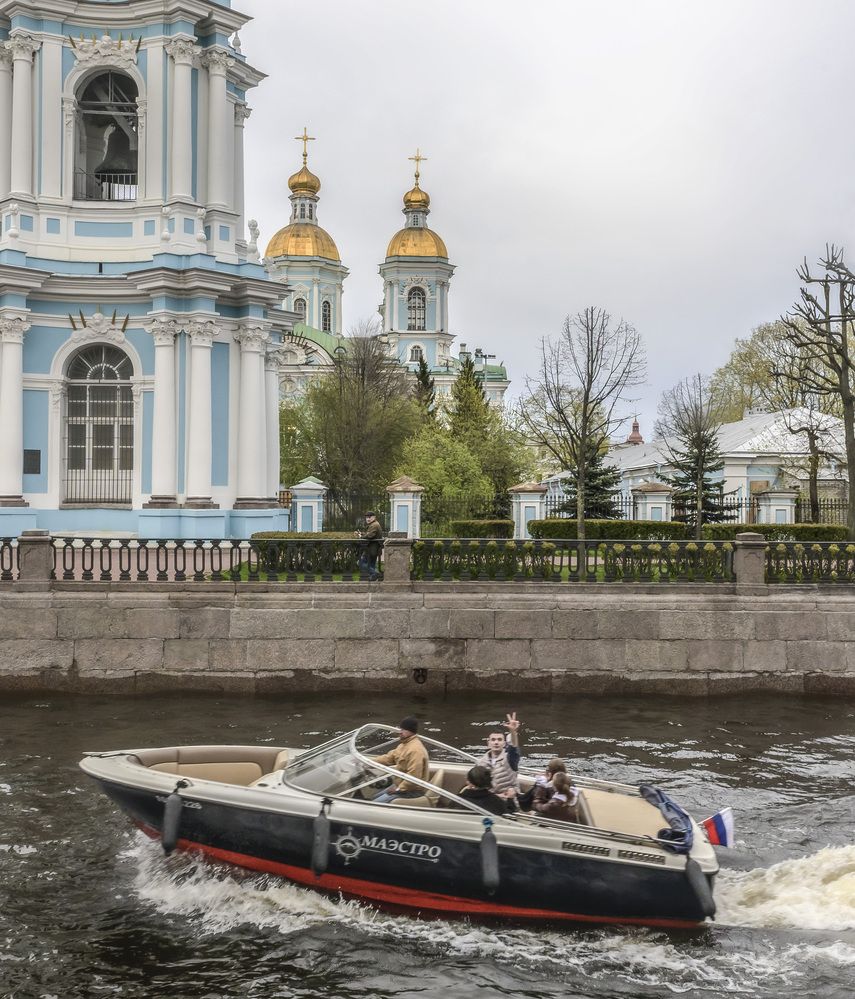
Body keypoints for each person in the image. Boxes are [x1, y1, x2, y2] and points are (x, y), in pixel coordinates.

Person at [372, 716, 429, 803]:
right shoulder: (404, 745)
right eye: (400, 729)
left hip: (412, 791)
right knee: (374, 797)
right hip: (401, 786)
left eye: (403, 730)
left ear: (411, 731)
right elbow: (388, 758)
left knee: (375, 803)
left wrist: (398, 789)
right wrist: (369, 762)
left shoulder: (415, 750)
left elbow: (414, 777)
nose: (400, 732)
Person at [478, 711, 521, 796]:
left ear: (504, 744)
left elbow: (514, 748)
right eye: (493, 740)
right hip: (489, 799)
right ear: (488, 743)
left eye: (499, 740)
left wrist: (513, 732)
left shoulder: (509, 758)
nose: (496, 742)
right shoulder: (481, 762)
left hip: (508, 799)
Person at [357, 511, 383, 581]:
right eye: (366, 517)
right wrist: (362, 534)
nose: (368, 519)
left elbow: (370, 535)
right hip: (373, 550)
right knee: (372, 565)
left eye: (369, 517)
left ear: (374, 517)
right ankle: (374, 578)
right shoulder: (374, 524)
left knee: (360, 563)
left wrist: (361, 537)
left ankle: (376, 573)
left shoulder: (374, 525)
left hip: (371, 550)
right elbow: (370, 534)